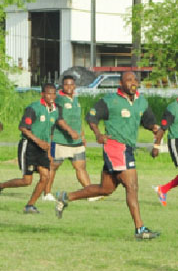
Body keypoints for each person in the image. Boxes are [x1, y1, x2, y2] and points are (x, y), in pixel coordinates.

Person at [54, 71, 162, 240]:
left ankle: (66, 197)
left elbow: (148, 121)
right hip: (116, 147)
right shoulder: (110, 100)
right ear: (121, 83)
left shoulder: (141, 101)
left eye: (134, 79)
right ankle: (140, 229)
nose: (132, 82)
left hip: (127, 149)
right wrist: (97, 133)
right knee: (132, 187)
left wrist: (155, 128)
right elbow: (91, 117)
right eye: (128, 80)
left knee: (105, 189)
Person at [0, 83, 71, 213]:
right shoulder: (34, 108)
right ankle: (2, 185)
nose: (51, 96)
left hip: (43, 148)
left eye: (53, 93)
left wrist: (50, 151)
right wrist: (38, 141)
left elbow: (51, 132)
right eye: (48, 93)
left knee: (45, 176)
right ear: (42, 94)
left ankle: (30, 206)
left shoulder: (56, 110)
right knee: (27, 181)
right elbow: (23, 128)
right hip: (29, 146)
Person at [42, 75, 92, 200]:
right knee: (53, 166)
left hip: (77, 141)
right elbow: (58, 119)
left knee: (80, 167)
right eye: (66, 84)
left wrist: (82, 135)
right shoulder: (58, 99)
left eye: (71, 84)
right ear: (62, 86)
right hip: (60, 140)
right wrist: (70, 131)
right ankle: (47, 194)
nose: (69, 87)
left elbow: (77, 119)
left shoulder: (76, 99)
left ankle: (91, 193)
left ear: (75, 86)